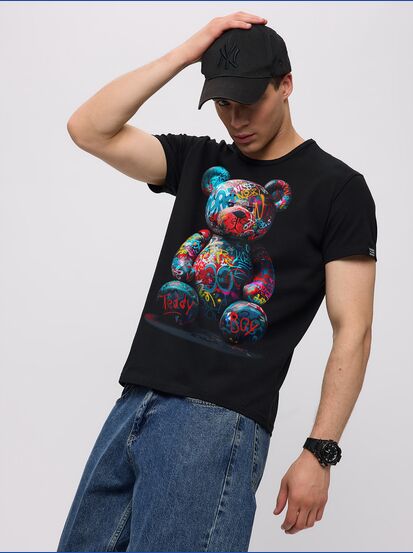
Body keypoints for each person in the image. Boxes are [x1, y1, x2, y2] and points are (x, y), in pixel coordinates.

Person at [58, 10, 378, 552]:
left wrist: (320, 451)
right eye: (223, 104)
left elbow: (354, 328)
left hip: (216, 424)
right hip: (134, 402)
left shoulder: (338, 189)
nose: (235, 119)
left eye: (248, 101)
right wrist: (189, 52)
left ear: (286, 85)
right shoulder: (199, 161)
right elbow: (88, 128)